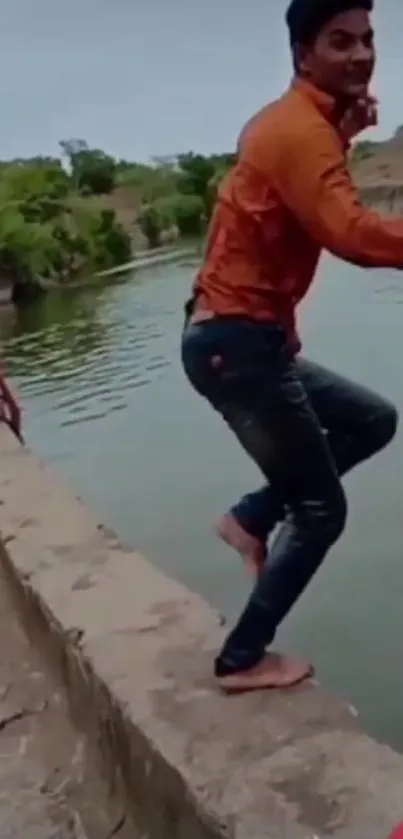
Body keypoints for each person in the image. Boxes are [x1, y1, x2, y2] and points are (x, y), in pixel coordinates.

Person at [181, 0, 403, 694]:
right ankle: (242, 656)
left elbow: (306, 202)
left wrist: (342, 130)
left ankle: (250, 515)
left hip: (246, 339)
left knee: (372, 418)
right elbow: (350, 232)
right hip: (235, 343)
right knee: (321, 508)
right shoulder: (296, 131)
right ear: (302, 53)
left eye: (367, 38)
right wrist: (335, 134)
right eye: (340, 42)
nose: (361, 54)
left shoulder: (305, 126)